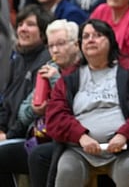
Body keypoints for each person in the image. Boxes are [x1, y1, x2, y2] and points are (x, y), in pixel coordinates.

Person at [46, 19, 129, 187]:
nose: (91, 39)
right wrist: (81, 137)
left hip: (124, 148)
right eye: (86, 36)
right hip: (79, 149)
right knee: (67, 171)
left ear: (111, 41)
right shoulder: (70, 76)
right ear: (80, 44)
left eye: (97, 35)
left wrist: (124, 134)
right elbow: (55, 115)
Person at [23, 19, 81, 187]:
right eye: (51, 45)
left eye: (61, 44)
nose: (55, 50)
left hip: (70, 140)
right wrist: (36, 110)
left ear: (76, 44)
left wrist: (56, 80)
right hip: (40, 135)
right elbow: (23, 112)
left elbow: (75, 107)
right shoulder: (47, 68)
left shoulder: (83, 69)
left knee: (38, 156)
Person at [0, 4, 54, 187]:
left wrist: (8, 135)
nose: (22, 28)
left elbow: (32, 110)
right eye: (21, 24)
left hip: (31, 136)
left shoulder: (47, 62)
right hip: (10, 132)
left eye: (30, 24)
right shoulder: (17, 59)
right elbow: (6, 101)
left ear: (44, 32)